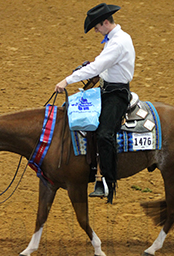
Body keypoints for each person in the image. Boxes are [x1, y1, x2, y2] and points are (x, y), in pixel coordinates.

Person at [55, 3, 135, 204]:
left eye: (97, 27)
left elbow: (99, 66)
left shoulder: (117, 43)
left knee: (104, 133)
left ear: (105, 22)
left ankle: (108, 181)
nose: (96, 31)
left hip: (116, 94)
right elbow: (101, 64)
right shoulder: (114, 39)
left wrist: (68, 80)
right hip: (106, 88)